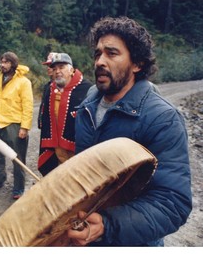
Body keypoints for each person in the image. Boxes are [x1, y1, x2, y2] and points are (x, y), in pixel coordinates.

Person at [68, 16, 192, 246]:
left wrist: (107, 226)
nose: (99, 62)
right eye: (97, 54)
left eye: (111, 53)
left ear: (137, 64)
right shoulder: (87, 106)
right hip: (83, 236)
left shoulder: (162, 119)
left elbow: (172, 203)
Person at [0, 52, 33, 200]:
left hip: (15, 123)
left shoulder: (24, 82)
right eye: (1, 62)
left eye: (6, 62)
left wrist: (24, 127)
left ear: (13, 64)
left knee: (17, 157)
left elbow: (28, 106)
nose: (2, 65)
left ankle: (18, 188)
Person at [38, 53, 92, 176]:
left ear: (71, 70)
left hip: (78, 150)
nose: (57, 71)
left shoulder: (87, 90)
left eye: (61, 67)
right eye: (54, 68)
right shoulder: (50, 89)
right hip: (57, 148)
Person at [37, 52, 57, 129]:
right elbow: (43, 105)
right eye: (47, 66)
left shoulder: (63, 86)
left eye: (51, 66)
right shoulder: (47, 86)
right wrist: (40, 121)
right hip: (46, 126)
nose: (48, 68)